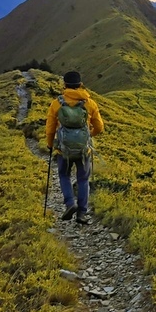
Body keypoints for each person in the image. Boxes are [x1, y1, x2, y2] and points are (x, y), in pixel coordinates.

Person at [46, 71, 104, 225]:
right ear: (80, 84)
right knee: (83, 179)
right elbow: (99, 127)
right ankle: (81, 214)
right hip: (83, 150)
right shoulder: (89, 103)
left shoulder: (57, 103)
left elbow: (50, 128)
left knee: (64, 176)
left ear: (64, 85)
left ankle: (70, 203)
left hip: (63, 149)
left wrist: (50, 144)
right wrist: (89, 135)